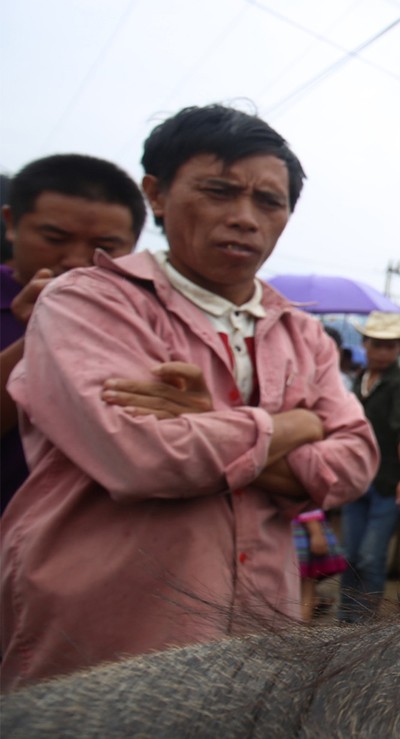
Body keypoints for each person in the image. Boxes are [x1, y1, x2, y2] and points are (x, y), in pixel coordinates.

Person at [0, 104, 378, 690]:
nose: (244, 219)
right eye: (218, 191)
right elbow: (140, 457)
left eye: (268, 202)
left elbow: (354, 464)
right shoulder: (88, 303)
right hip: (108, 643)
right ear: (156, 194)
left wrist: (213, 424)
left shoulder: (302, 333)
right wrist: (295, 426)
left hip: (257, 636)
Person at [1, 154, 145, 515]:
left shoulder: (146, 318)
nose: (77, 259)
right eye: (54, 237)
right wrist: (39, 339)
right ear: (11, 223)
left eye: (106, 247)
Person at [338, 311, 400, 623]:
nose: (385, 351)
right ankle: (345, 623)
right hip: (357, 480)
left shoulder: (399, 384)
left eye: (392, 346)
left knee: (371, 558)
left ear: (399, 348)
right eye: (379, 345)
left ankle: (363, 628)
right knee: (350, 556)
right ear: (366, 344)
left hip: (388, 482)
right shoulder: (361, 380)